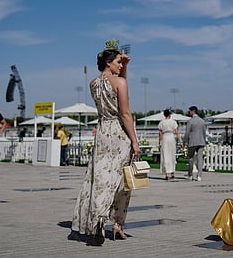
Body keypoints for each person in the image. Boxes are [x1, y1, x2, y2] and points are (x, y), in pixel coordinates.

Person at [68, 39, 141, 246]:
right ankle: (117, 224)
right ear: (109, 62)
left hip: (102, 132)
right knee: (122, 181)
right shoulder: (121, 82)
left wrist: (125, 67)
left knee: (101, 178)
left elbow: (114, 88)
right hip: (119, 133)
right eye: (118, 61)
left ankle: (99, 220)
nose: (120, 65)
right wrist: (135, 141)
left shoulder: (93, 84)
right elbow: (125, 113)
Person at [158, 109, 183, 180]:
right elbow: (177, 132)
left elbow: (160, 133)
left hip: (165, 138)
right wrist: (180, 141)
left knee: (165, 155)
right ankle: (172, 172)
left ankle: (167, 173)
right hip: (171, 137)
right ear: (169, 114)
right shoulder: (173, 122)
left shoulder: (162, 122)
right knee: (172, 155)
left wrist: (159, 142)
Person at [183, 106, 206, 181]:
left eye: (189, 111)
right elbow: (204, 132)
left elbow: (187, 133)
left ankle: (190, 174)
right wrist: (204, 141)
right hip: (201, 141)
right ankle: (199, 175)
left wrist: (184, 141)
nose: (189, 112)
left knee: (190, 158)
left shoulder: (190, 121)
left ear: (193, 111)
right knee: (200, 159)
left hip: (192, 141)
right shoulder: (202, 121)